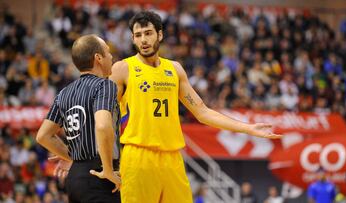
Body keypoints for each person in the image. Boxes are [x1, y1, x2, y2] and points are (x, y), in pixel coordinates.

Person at [110, 11, 281, 203]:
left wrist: (248, 128)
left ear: (160, 34)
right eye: (138, 35)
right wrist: (108, 162)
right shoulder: (122, 68)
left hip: (172, 157)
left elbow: (202, 112)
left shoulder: (174, 69)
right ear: (132, 38)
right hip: (138, 155)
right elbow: (106, 116)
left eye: (148, 33)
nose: (144, 40)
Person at [36, 34, 121, 203]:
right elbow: (103, 126)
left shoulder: (64, 93)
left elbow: (43, 136)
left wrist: (74, 159)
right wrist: (109, 170)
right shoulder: (105, 85)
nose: (111, 57)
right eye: (108, 52)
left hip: (75, 177)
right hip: (100, 175)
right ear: (98, 58)